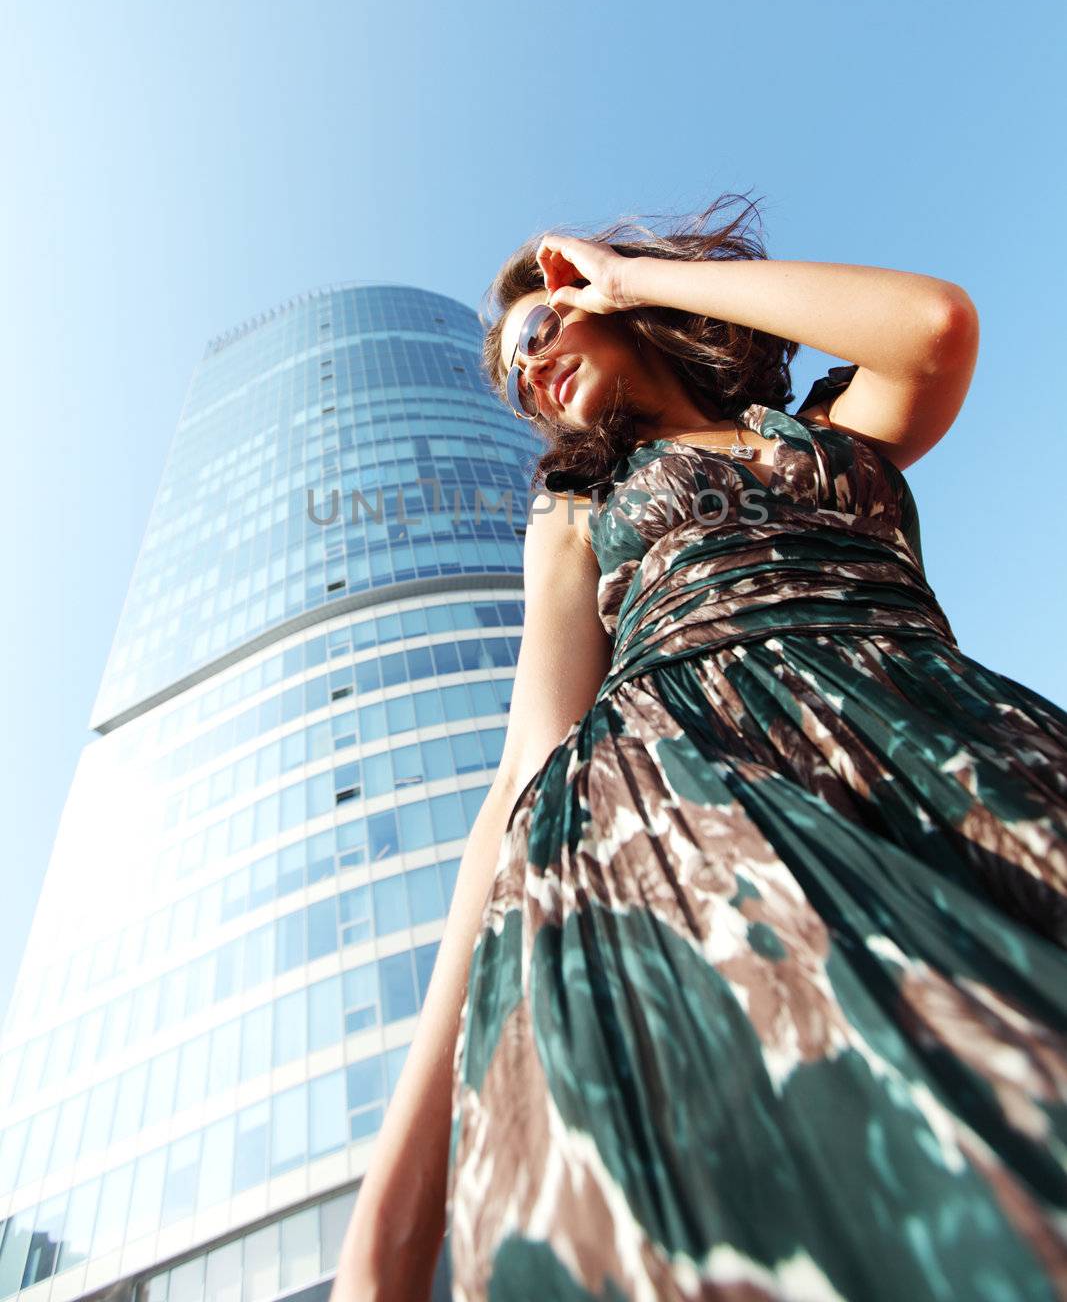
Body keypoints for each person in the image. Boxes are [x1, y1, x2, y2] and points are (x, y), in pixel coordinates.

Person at [330, 196, 1067, 1302]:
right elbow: (523, 767)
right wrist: (393, 1208)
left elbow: (932, 324)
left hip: (947, 744)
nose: (529, 377)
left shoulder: (829, 431)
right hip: (679, 828)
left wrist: (633, 277)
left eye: (540, 333)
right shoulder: (580, 504)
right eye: (511, 376)